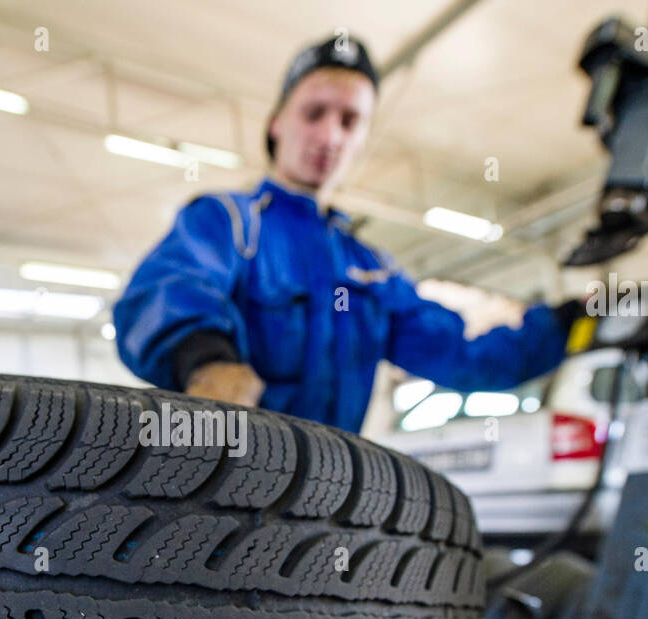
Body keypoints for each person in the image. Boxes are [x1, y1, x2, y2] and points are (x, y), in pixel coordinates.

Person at [112, 35, 582, 434]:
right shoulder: (230, 223)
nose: (330, 135)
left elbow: (464, 355)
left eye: (349, 120)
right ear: (278, 123)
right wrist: (208, 361)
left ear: (362, 137)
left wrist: (572, 323)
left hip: (328, 502)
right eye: (314, 112)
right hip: (225, 492)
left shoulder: (374, 271)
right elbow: (165, 290)